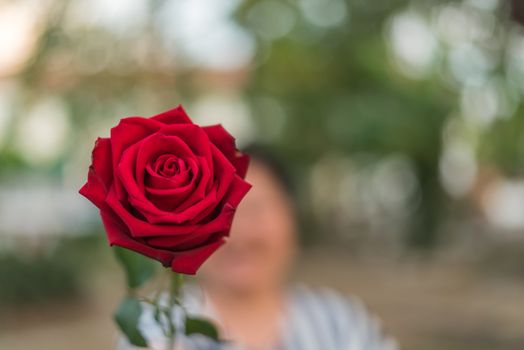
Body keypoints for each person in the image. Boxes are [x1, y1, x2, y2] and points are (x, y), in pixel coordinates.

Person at [119, 146, 398, 350]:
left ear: (292, 218)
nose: (238, 233)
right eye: (219, 215)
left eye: (255, 210)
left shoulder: (341, 322)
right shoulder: (154, 328)